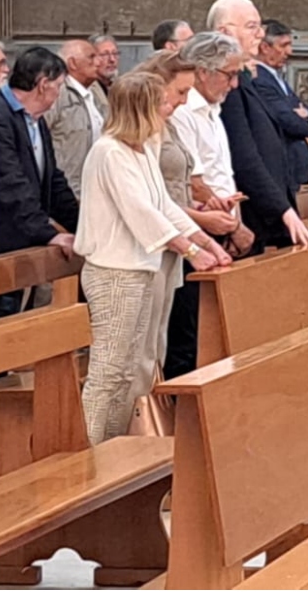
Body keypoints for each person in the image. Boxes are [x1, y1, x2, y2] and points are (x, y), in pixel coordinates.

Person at [75, 71, 230, 444]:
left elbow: (164, 205)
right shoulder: (110, 152)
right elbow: (140, 211)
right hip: (114, 273)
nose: (169, 109)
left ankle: (116, 445)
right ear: (141, 108)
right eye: (161, 103)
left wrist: (206, 242)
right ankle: (90, 451)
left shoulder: (142, 149)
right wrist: (190, 251)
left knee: (131, 371)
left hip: (140, 270)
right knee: (109, 370)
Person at [132, 50, 241, 386]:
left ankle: (160, 407)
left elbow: (175, 188)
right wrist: (199, 234)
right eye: (180, 92)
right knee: (143, 349)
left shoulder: (166, 125)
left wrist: (201, 209)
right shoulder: (139, 133)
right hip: (151, 246)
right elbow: (150, 200)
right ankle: (141, 413)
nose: (183, 100)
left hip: (176, 239)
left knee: (162, 342)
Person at [165, 32, 253, 377]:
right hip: (193, 228)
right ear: (203, 71)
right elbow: (192, 181)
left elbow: (220, 175)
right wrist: (228, 224)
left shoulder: (213, 110)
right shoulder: (184, 111)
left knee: (212, 328)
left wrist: (234, 222)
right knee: (188, 332)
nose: (234, 84)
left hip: (217, 225)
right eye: (229, 74)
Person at [207, 0, 308, 250]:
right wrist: (282, 209)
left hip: (268, 208)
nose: (260, 34)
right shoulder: (228, 88)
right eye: (251, 26)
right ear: (224, 32)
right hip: (253, 211)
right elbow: (244, 156)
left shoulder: (246, 79)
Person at [0, 47, 81, 319]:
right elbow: (9, 183)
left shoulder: (35, 120)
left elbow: (52, 180)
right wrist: (47, 233)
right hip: (0, 244)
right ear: (43, 85)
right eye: (59, 86)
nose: (59, 93)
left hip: (20, 244)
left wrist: (83, 226)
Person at [252, 19, 308, 189]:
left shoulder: (276, 78)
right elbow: (287, 120)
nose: (289, 51)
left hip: (292, 170)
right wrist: (303, 120)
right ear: (265, 47)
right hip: (282, 165)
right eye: (283, 45)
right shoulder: (260, 80)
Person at [46, 39, 108, 199]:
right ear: (73, 63)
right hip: (66, 192)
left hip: (93, 189)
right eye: (91, 57)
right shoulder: (58, 93)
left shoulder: (94, 92)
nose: (99, 62)